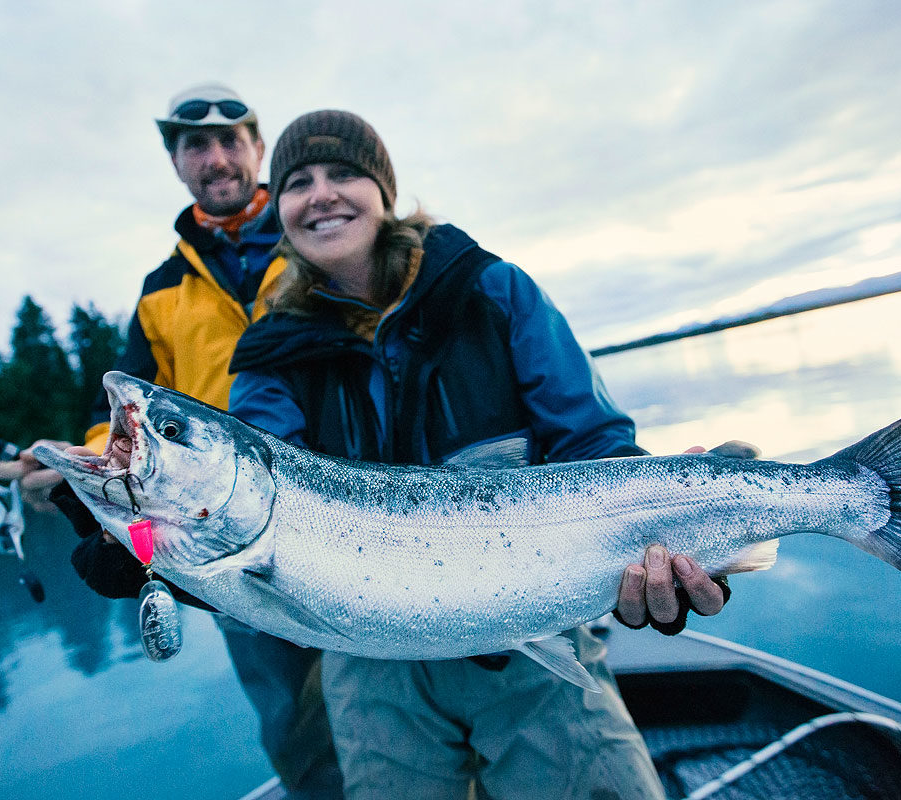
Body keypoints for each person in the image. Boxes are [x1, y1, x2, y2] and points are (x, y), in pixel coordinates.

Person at [227, 109, 736, 799]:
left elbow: (592, 443)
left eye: (343, 172)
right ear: (280, 210)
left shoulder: (493, 290)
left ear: (383, 190)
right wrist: (146, 541)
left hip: (535, 633)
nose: (321, 194)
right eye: (297, 182)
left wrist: (664, 542)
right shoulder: (268, 356)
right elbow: (252, 499)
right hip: (369, 661)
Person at [0, 84, 342, 798]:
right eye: (194, 145)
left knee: (403, 710)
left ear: (255, 147)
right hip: (224, 546)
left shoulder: (324, 233)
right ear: (176, 162)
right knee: (299, 735)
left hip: (349, 519)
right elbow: (117, 421)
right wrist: (76, 464)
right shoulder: (160, 292)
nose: (215, 158)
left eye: (229, 140)